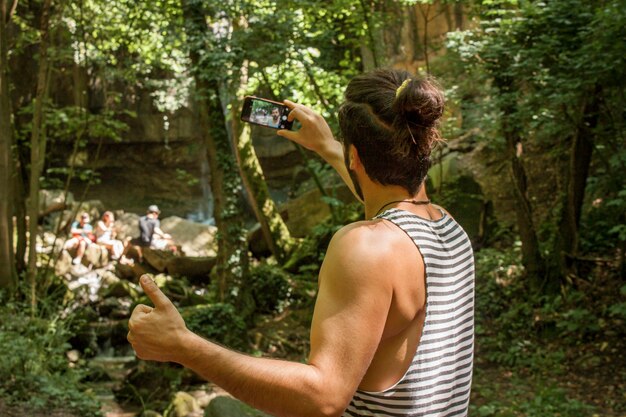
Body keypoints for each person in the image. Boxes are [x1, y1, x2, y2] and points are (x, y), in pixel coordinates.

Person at [128, 69, 475, 416]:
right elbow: (386, 196)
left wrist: (184, 346)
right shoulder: (449, 230)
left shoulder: (365, 249)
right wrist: (326, 145)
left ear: (354, 155)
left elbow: (322, 398)